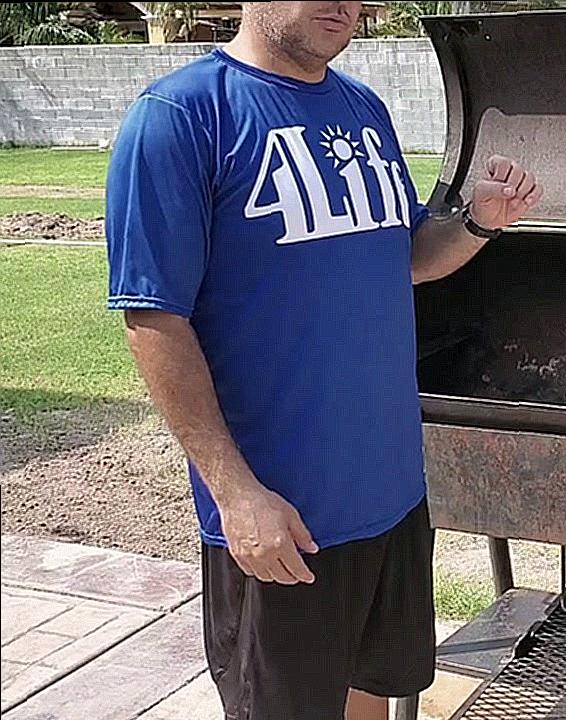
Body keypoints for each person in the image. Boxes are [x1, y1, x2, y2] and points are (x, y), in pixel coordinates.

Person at [103, 2, 541, 718]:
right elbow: (154, 318)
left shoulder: (363, 110)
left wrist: (475, 224)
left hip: (393, 499)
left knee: (371, 700)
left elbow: (402, 256)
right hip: (284, 524)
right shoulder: (180, 118)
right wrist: (236, 495)